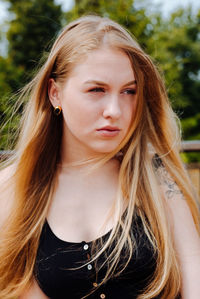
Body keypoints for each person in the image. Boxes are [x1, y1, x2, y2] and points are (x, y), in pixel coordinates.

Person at [0, 15, 200, 299]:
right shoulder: (13, 188)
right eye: (97, 90)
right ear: (55, 93)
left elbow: (194, 271)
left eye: (129, 91)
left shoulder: (155, 175)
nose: (115, 111)